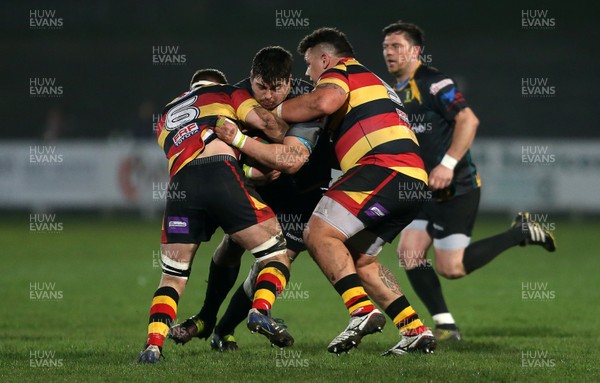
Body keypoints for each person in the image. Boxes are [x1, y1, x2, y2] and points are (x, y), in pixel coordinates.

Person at [381, 21, 557, 341]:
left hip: (455, 188)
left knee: (452, 269)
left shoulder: (434, 83)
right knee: (409, 254)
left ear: (416, 51)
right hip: (421, 191)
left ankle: (519, 232)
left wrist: (447, 164)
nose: (389, 52)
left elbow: (468, 119)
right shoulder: (393, 92)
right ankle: (445, 325)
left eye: (397, 46)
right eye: (386, 47)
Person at [272, 27, 436, 355]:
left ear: (324, 58)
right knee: (362, 259)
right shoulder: (374, 82)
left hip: (382, 168)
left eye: (308, 63)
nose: (307, 72)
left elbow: (323, 101)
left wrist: (270, 114)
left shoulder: (343, 70)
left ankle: (360, 310)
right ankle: (415, 331)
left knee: (318, 234)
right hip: (412, 180)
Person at [168, 46, 332, 351]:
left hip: (302, 195)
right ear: (251, 77)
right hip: (256, 190)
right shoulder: (235, 95)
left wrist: (242, 142)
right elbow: (215, 150)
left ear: (290, 81)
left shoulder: (306, 99)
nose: (268, 96)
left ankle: (227, 328)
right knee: (231, 248)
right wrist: (247, 169)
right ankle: (207, 318)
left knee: (269, 264)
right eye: (261, 87)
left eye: (276, 88)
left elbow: (292, 159)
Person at [137, 68, 293, 363]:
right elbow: (268, 125)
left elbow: (193, 150)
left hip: (182, 188)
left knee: (172, 277)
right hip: (222, 175)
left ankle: (153, 345)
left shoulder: (166, 115)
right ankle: (259, 311)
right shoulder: (226, 92)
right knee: (275, 256)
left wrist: (247, 169)